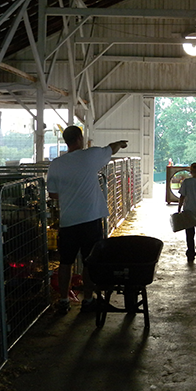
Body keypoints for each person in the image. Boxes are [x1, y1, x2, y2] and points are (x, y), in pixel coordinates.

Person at [47, 125, 128, 314]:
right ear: (79, 139)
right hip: (90, 220)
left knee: (65, 262)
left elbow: (52, 194)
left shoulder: (57, 164)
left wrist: (70, 194)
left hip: (68, 222)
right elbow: (111, 148)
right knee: (90, 261)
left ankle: (64, 300)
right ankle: (89, 300)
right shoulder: (89, 156)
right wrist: (121, 143)